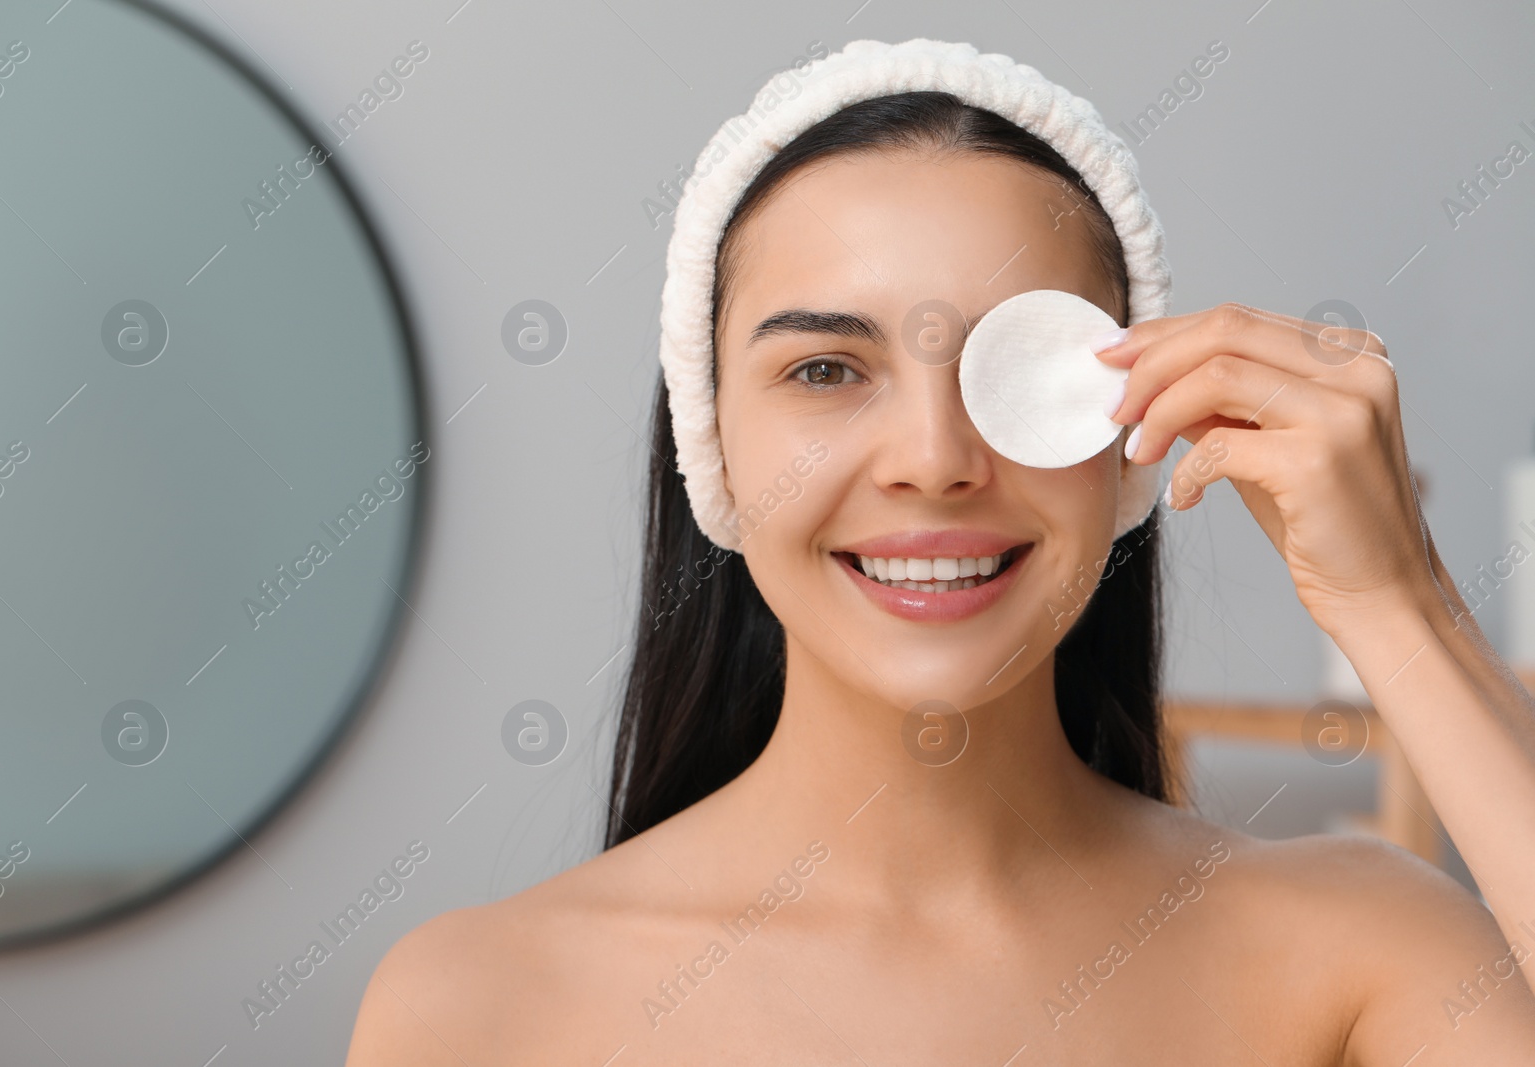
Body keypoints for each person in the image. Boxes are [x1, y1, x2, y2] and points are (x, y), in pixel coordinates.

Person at [346, 44, 1535, 1065]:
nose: (933, 456)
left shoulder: (1359, 951)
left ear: (1128, 439)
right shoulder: (478, 1004)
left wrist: (1401, 607)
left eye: (1020, 370)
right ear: (710, 441)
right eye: (824, 370)